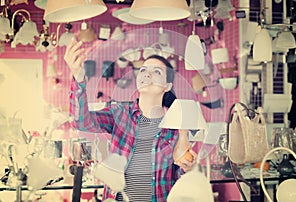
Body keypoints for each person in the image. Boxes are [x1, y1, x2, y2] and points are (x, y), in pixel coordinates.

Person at [64, 38, 197, 202]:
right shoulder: (119, 113)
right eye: (143, 70)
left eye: (157, 72)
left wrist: (187, 167)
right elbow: (81, 122)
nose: (147, 74)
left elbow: (179, 179)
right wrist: (78, 77)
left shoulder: (176, 127)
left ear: (168, 86)